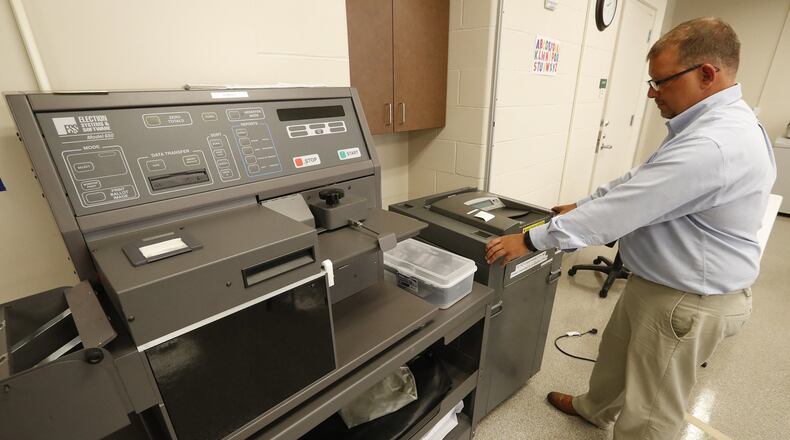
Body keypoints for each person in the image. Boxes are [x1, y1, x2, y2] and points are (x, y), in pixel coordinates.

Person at [484, 17, 776, 440]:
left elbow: (623, 210)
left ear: (707, 74)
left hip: (688, 298)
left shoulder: (716, 143)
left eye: (660, 82)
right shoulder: (707, 125)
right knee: (615, 354)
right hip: (658, 279)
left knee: (652, 409)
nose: (651, 92)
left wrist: (530, 240)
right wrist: (583, 203)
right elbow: (643, 178)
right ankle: (594, 409)